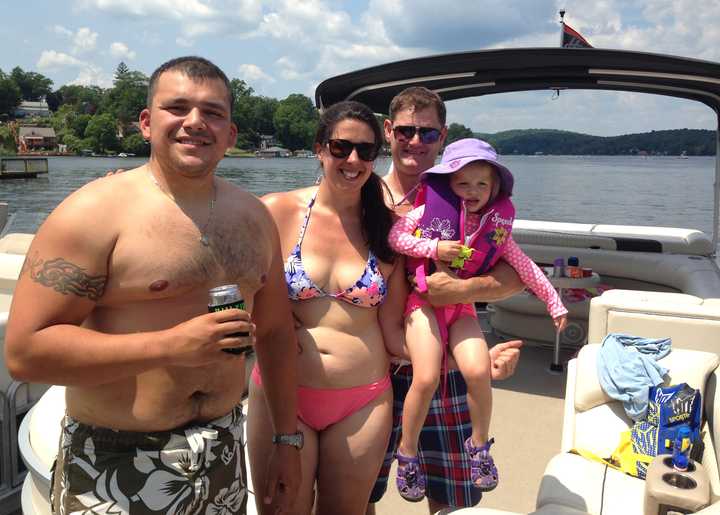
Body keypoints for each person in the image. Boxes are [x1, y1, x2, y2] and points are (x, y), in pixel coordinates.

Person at [5, 56, 300, 515]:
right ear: (146, 122)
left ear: (231, 134)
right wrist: (169, 346)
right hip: (115, 459)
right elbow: (25, 353)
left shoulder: (256, 220)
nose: (195, 123)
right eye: (177, 108)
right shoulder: (93, 214)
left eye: (213, 112)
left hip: (224, 451)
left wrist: (286, 439)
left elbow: (279, 336)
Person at [368, 86, 525, 514]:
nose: (415, 141)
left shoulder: (471, 197)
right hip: (372, 370)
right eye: (405, 130)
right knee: (359, 492)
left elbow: (514, 276)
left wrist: (462, 290)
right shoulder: (363, 199)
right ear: (387, 131)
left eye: (428, 133)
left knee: (451, 497)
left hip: (444, 361)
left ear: (444, 136)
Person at [388, 138, 568, 501]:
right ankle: (407, 453)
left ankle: (479, 445)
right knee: (424, 375)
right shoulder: (426, 214)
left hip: (462, 310)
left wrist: (554, 302)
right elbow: (397, 238)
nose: (472, 191)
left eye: (481, 184)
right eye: (463, 183)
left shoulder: (497, 231)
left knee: (478, 370)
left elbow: (525, 269)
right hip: (422, 307)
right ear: (448, 184)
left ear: (495, 188)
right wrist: (434, 248)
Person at [247, 100, 402, 515]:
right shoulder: (276, 211)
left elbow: (396, 331)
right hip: (283, 395)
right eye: (341, 148)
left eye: (366, 151)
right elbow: (219, 262)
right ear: (319, 149)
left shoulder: (388, 229)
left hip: (363, 402)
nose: (353, 160)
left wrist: (458, 356)